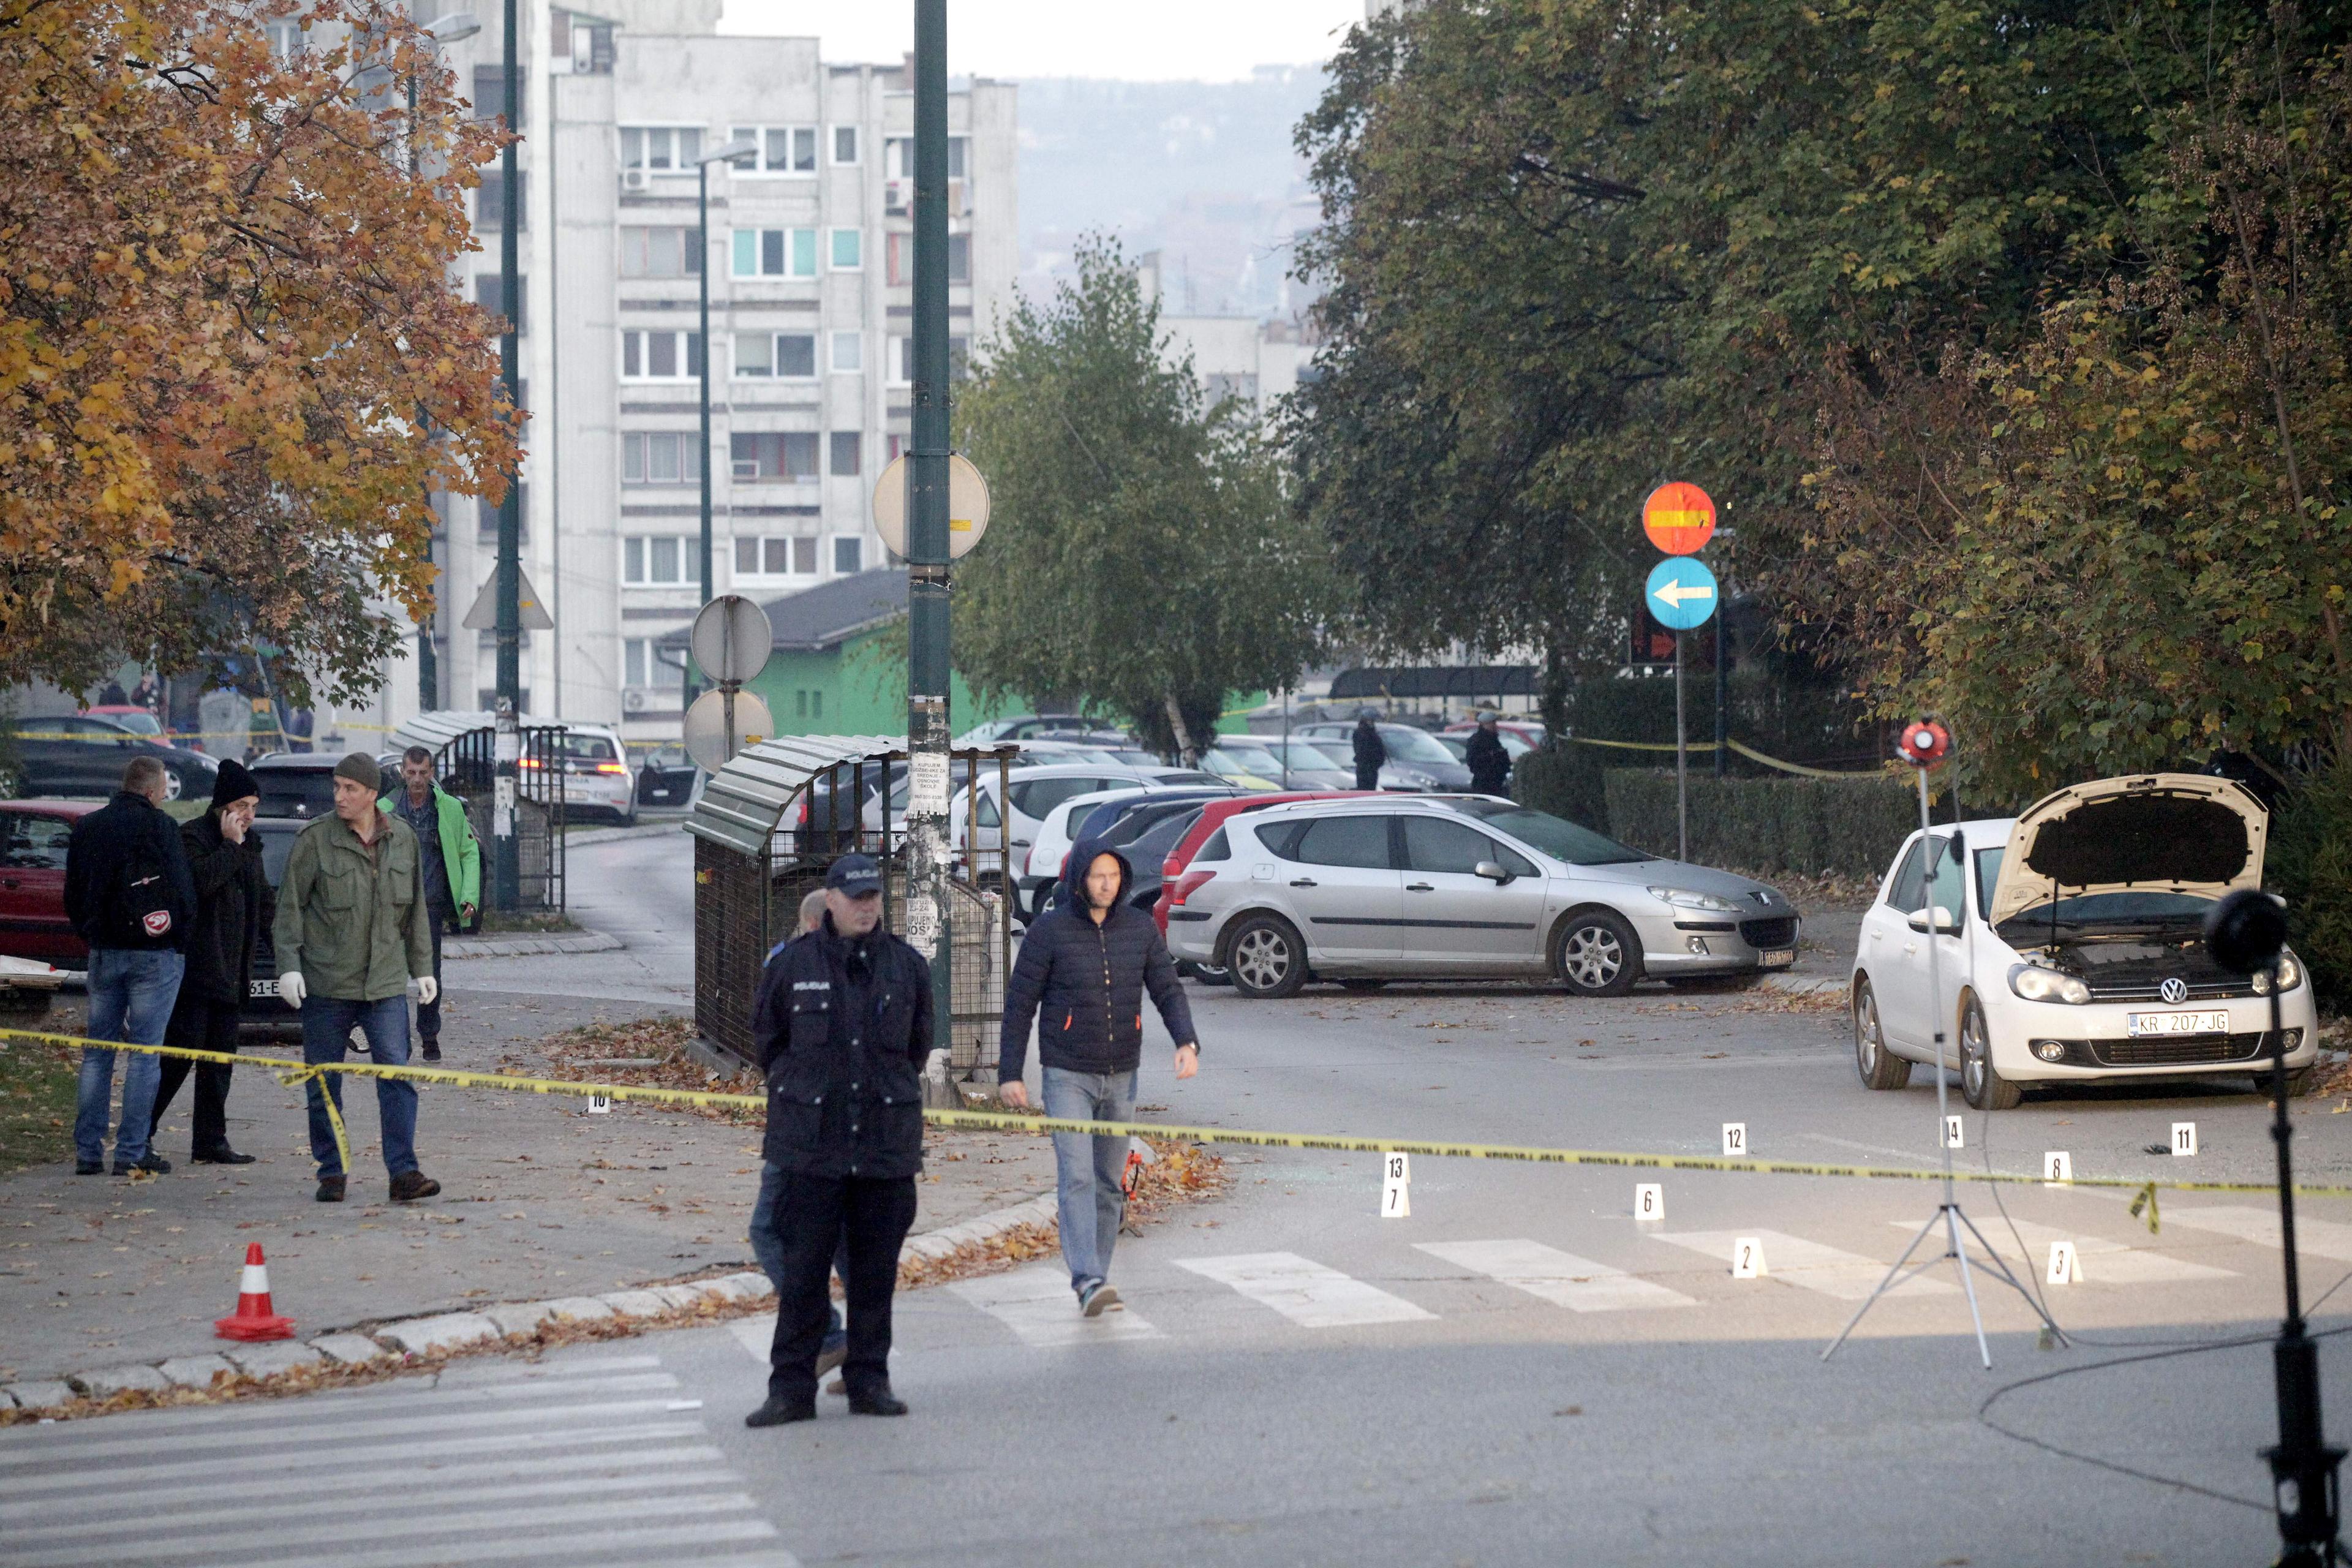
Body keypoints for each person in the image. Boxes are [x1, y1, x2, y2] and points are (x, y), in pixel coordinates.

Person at [744, 854, 930, 1428]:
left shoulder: (907, 967)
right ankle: (790, 1390)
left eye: (873, 895)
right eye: (855, 896)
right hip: (812, 1149)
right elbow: (768, 1042)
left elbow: (918, 1048)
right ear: (830, 901)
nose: (866, 905)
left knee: (874, 1277)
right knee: (802, 1278)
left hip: (882, 1148)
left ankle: (869, 1380)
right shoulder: (793, 964)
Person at [998, 835, 1200, 1316]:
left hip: (1121, 1074)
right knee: (1077, 1177)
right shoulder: (1049, 932)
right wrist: (1010, 1073)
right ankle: (1086, 1277)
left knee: (1109, 1181)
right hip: (1067, 1073)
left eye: (1113, 876)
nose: (1107, 885)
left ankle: (1097, 1278)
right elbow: (1020, 1005)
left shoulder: (1138, 927)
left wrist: (1186, 1041)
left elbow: (1167, 989)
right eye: (1097, 876)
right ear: (1079, 879)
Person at [274, 753, 442, 1204]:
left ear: (372, 794)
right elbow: (289, 907)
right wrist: (288, 964)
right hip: (328, 981)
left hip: (385, 983)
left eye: (350, 788)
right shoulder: (316, 840)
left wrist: (423, 968)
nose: (340, 796)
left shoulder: (402, 839)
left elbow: (415, 913)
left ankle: (404, 1172)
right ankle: (332, 1171)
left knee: (396, 1076)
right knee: (323, 1082)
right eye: (337, 787)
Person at [63, 756, 195, 1177]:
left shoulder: (89, 827)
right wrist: (179, 939)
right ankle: (131, 1151)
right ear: (152, 789)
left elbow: (73, 894)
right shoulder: (161, 828)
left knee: (98, 1053)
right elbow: (182, 892)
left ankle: (87, 1151)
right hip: (154, 956)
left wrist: (92, 932)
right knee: (144, 1054)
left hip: (104, 951)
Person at [747, 888, 851, 1389]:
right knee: (843, 1239)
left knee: (770, 1228)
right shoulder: (794, 966)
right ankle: (856, 1347)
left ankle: (836, 1338)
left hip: (801, 1128)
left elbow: (766, 1042)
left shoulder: (787, 963)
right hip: (821, 1123)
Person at [145, 760, 270, 1165]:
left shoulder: (252, 844)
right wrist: (230, 846)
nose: (248, 814)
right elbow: (199, 884)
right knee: (178, 1058)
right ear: (221, 806)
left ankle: (210, 1140)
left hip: (234, 972)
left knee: (220, 1061)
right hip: (197, 970)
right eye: (241, 805)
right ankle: (140, 1133)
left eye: (253, 805)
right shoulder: (193, 838)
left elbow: (262, 903)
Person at [380, 746, 480, 1063]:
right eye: (411, 773)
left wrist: (469, 896)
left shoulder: (448, 809)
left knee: (429, 973)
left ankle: (429, 1036)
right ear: (403, 773)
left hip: (431, 905)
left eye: (423, 773)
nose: (417, 780)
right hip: (394, 904)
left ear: (432, 773)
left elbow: (469, 853)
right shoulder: (385, 809)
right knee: (393, 974)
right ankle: (400, 1039)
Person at [1464, 710, 1513, 797]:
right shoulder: (1476, 741)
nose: (1495, 726)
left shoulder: (1494, 740)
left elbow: (1503, 759)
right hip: (1483, 784)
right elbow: (1473, 761)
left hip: (1498, 783)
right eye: (1492, 723)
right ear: (1484, 724)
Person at [1351, 709, 1386, 791]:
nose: (1372, 722)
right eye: (1370, 720)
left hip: (1372, 768)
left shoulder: (1373, 733)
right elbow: (1361, 750)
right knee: (1364, 789)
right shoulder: (1361, 733)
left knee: (1371, 789)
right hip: (1364, 768)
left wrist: (1378, 762)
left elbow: (1380, 750)